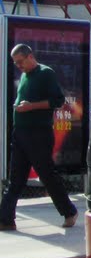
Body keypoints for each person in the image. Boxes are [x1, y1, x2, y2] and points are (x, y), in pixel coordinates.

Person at [0, 44, 79, 231]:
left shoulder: (45, 73)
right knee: (16, 178)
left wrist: (30, 106)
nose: (18, 66)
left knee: (46, 174)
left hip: (38, 133)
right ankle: (5, 219)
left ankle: (69, 211)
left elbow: (58, 101)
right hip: (21, 133)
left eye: (20, 62)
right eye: (16, 63)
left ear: (30, 56)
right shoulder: (26, 76)